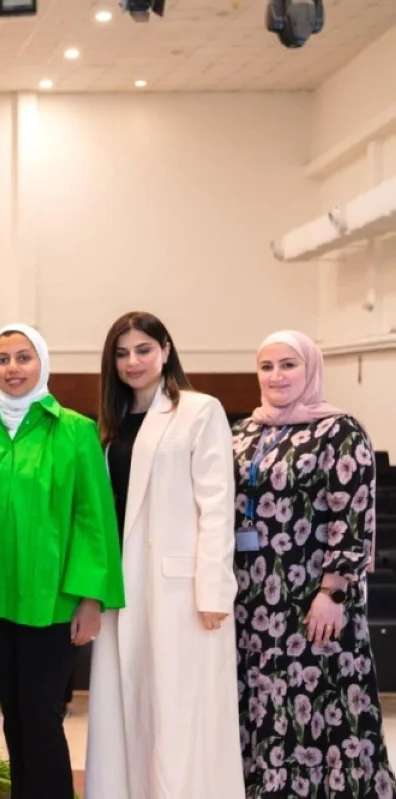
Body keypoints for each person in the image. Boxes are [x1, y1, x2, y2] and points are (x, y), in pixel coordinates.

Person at [0, 323, 124, 799]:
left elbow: (93, 518)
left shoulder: (75, 432)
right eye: (2, 358)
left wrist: (91, 598)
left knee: (42, 716)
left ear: (42, 363)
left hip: (53, 602)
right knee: (15, 716)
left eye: (23, 357)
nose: (13, 368)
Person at [84, 311, 244, 799]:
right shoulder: (109, 423)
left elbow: (217, 506)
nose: (132, 362)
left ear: (166, 350)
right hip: (121, 583)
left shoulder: (200, 410)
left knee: (177, 712)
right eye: (121, 353)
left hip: (181, 589)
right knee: (125, 708)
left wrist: (213, 590)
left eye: (143, 350)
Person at [234, 330, 394, 798]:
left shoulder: (340, 430)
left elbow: (352, 514)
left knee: (319, 702)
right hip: (252, 599)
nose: (276, 376)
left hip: (312, 598)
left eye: (289, 365)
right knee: (263, 699)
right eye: (267, 366)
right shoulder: (244, 432)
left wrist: (333, 592)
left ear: (311, 369)